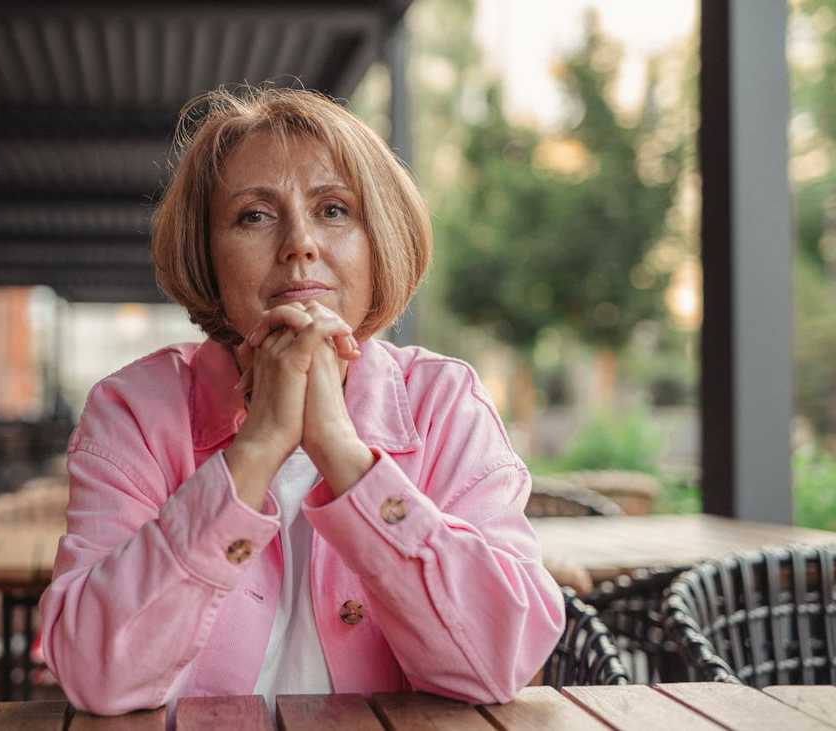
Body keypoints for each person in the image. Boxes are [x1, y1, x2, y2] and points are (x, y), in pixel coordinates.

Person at [38, 85, 565, 716]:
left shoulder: (444, 402)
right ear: (207, 256)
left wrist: (343, 454)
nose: (299, 244)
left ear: (380, 243)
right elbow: (99, 674)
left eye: (334, 210)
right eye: (254, 216)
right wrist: (256, 449)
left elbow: (501, 659)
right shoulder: (132, 410)